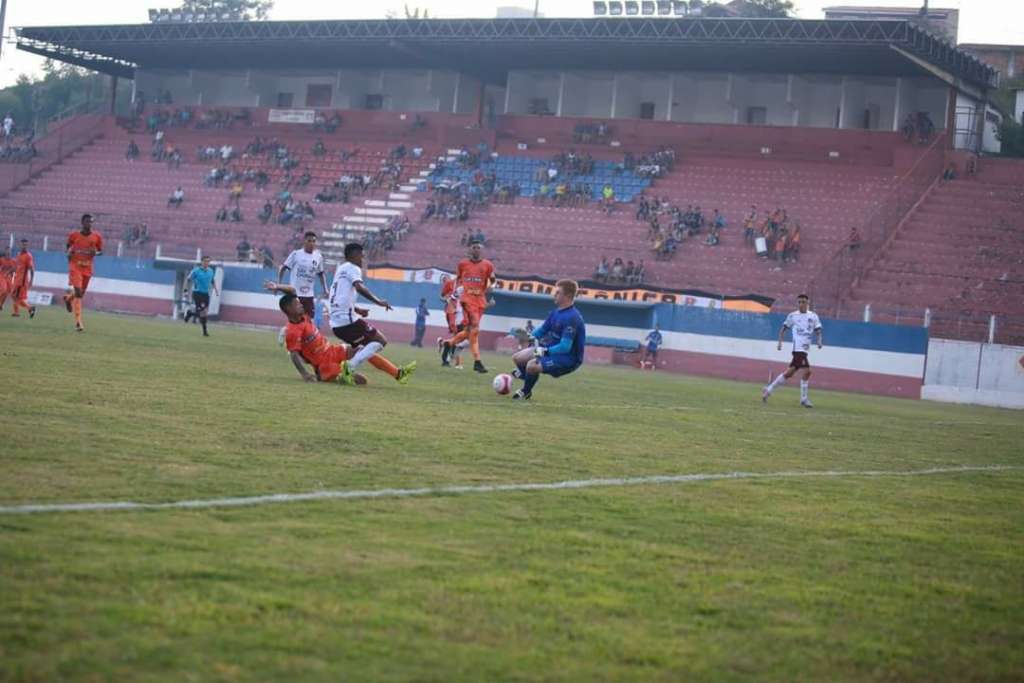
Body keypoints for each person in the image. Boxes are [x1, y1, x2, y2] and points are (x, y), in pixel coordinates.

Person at [328, 242, 416, 384]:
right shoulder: (353, 268)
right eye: (361, 257)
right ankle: (349, 368)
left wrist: (356, 309)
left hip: (336, 323)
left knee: (365, 350)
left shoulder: (341, 269)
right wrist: (379, 302)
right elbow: (360, 287)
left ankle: (398, 374)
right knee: (380, 341)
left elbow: (338, 296)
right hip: (346, 321)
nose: (362, 260)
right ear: (354, 255)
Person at [262, 281, 362, 386]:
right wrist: (305, 374)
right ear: (289, 309)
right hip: (324, 365)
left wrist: (277, 286)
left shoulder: (304, 314)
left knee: (365, 349)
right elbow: (294, 355)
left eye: (299, 302)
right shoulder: (293, 331)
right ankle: (339, 371)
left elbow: (292, 291)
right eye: (297, 304)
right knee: (360, 380)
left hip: (333, 351)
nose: (300, 304)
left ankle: (348, 368)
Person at [508, 279, 586, 401]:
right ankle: (526, 375)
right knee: (517, 358)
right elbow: (542, 330)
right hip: (551, 351)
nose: (554, 294)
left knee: (531, 365)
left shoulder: (573, 318)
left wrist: (544, 351)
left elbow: (565, 347)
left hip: (568, 358)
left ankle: (526, 391)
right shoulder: (555, 313)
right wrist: (528, 336)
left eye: (558, 292)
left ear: (568, 296)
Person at [440, 240, 495, 373]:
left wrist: (490, 287)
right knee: (474, 330)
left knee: (469, 332)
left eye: (478, 247)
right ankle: (477, 362)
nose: (476, 249)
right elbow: (458, 280)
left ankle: (448, 343)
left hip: (480, 301)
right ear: (470, 249)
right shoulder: (462, 264)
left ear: (481, 249)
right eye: (473, 247)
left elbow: (492, 280)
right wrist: (459, 292)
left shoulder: (488, 265)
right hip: (467, 301)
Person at [762, 294, 823, 408]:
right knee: (807, 371)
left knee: (790, 373)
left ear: (808, 303)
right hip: (798, 349)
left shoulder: (813, 316)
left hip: (805, 350)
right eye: (799, 302)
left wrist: (819, 340)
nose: (801, 304)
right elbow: (783, 330)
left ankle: (768, 390)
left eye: (803, 302)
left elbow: (818, 330)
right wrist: (780, 342)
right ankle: (803, 399)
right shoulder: (793, 316)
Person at [63, 214, 103, 331]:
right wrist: (68, 254)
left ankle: (69, 299)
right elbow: (68, 247)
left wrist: (95, 253)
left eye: (90, 222)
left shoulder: (96, 237)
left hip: (87, 268)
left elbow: (101, 251)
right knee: (79, 292)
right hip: (75, 266)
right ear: (82, 222)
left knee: (80, 294)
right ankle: (78, 322)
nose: (89, 224)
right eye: (87, 222)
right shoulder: (74, 235)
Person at [278, 231, 327, 322]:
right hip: (295, 294)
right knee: (296, 321)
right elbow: (283, 268)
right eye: (309, 241)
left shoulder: (318, 257)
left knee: (309, 321)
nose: (312, 243)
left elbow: (321, 274)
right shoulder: (296, 254)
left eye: (314, 241)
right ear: (304, 241)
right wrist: (279, 285)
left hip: (309, 295)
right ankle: (285, 333)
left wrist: (325, 289)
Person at [438, 274, 469, 369]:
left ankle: (443, 343)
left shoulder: (468, 284)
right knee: (458, 338)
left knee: (462, 339)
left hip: (462, 313)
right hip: (452, 312)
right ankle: (450, 361)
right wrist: (446, 300)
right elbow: (441, 296)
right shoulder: (450, 283)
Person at [184, 256, 219, 337]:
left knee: (204, 313)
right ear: (202, 262)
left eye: (208, 261)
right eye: (205, 261)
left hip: (205, 294)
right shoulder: (196, 271)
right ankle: (205, 332)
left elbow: (212, 280)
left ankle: (190, 314)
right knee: (202, 311)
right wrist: (185, 290)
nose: (207, 263)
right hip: (197, 293)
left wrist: (216, 289)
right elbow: (188, 279)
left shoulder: (210, 271)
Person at [10, 239, 36, 318]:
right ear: (20, 245)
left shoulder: (28, 256)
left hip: (22, 281)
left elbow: (31, 269)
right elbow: (17, 267)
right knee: (15, 297)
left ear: (27, 246)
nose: (24, 246)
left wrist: (31, 280)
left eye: (25, 245)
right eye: (23, 244)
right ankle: (30, 308)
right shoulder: (18, 255)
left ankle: (17, 313)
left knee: (16, 297)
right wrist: (11, 272)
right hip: (16, 279)